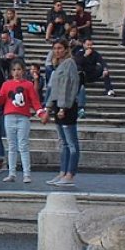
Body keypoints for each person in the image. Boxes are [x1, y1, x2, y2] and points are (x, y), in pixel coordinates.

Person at [0, 58, 40, 183]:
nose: (16, 72)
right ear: (11, 72)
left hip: (23, 117)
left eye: (19, 69)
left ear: (23, 71)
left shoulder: (28, 85)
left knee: (23, 145)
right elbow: (1, 100)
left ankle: (27, 174)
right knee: (12, 146)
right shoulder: (6, 84)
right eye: (14, 70)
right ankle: (12, 173)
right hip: (9, 116)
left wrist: (40, 111)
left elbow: (34, 100)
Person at [45, 41, 81, 187]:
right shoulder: (58, 65)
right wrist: (48, 107)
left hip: (66, 107)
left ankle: (70, 174)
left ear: (66, 49)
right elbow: (54, 88)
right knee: (63, 143)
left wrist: (63, 107)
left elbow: (68, 87)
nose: (57, 51)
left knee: (71, 143)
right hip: (57, 105)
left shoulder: (69, 64)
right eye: (55, 48)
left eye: (60, 48)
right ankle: (62, 172)